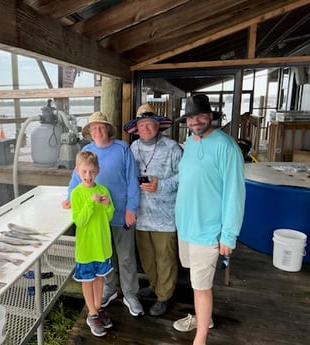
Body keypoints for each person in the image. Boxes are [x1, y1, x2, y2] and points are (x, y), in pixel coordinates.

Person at [172, 94, 245, 345]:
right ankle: (205, 318)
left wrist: (228, 234)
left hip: (209, 229)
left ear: (211, 116)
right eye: (191, 117)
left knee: (202, 286)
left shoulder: (227, 147)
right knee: (196, 282)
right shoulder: (189, 143)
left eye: (200, 115)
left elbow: (235, 193)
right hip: (186, 226)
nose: (195, 121)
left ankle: (201, 336)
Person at [62, 111, 144, 317]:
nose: (97, 130)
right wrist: (70, 198)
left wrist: (130, 209)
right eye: (93, 127)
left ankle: (130, 294)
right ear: (89, 131)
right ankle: (110, 288)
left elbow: (133, 181)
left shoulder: (122, 148)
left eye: (101, 126)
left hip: (119, 213)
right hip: (95, 219)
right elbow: (75, 179)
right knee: (104, 255)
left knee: (125, 256)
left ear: (108, 129)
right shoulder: (87, 151)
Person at [123, 103, 182, 317]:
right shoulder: (133, 148)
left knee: (165, 256)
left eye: (150, 123)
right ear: (136, 128)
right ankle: (156, 286)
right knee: (147, 257)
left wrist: (161, 184)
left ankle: (164, 296)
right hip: (141, 214)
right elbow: (127, 177)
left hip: (166, 215)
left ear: (158, 125)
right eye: (142, 124)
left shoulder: (173, 147)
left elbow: (184, 176)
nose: (146, 128)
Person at [70, 150, 115, 337]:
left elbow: (110, 215)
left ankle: (97, 308)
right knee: (87, 281)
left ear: (97, 170)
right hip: (86, 248)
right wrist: (90, 204)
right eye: (84, 171)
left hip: (102, 245)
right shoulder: (76, 193)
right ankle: (92, 313)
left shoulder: (103, 190)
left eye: (91, 171)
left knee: (100, 278)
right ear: (77, 171)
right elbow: (79, 221)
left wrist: (107, 205)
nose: (88, 176)